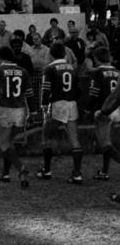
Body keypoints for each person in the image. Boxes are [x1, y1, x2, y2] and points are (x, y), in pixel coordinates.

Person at [0, 46, 34, 188]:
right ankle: (5, 173)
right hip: (20, 110)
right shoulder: (23, 71)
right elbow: (29, 93)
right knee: (10, 143)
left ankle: (21, 168)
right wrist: (33, 112)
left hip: (4, 109)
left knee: (4, 144)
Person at [36, 42, 83, 184]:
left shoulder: (49, 68)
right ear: (64, 53)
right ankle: (77, 174)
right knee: (75, 140)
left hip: (56, 104)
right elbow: (79, 90)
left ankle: (47, 170)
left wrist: (44, 105)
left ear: (51, 54)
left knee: (47, 137)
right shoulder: (73, 68)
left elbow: (46, 89)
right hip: (71, 104)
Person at [85, 47, 120, 180]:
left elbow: (94, 93)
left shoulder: (98, 72)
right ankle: (104, 171)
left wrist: (87, 110)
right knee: (108, 142)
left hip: (105, 109)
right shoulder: (117, 71)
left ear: (96, 59)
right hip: (117, 108)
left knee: (105, 144)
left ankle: (106, 171)